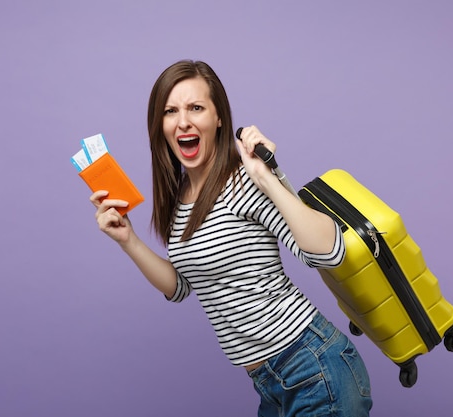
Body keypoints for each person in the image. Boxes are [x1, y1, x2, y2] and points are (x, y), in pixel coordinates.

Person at [90, 59, 372, 416]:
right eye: (170, 111)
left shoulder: (241, 184)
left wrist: (266, 176)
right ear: (159, 125)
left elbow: (330, 253)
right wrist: (127, 239)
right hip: (271, 383)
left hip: (313, 367)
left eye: (196, 108)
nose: (183, 121)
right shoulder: (179, 201)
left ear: (218, 117)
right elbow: (181, 287)